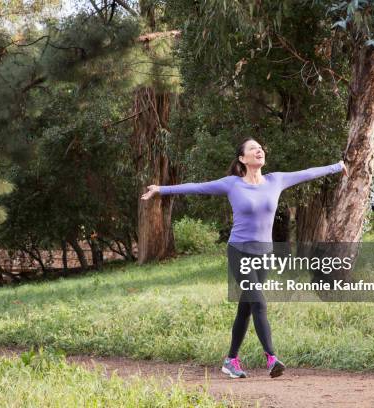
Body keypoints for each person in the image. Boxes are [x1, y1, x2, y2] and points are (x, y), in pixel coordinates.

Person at [141, 138, 348, 379]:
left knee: (246, 309)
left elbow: (308, 173)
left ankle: (231, 360)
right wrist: (160, 190)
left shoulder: (276, 180)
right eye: (253, 148)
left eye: (261, 147)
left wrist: (336, 166)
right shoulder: (232, 185)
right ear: (242, 158)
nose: (259, 150)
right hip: (240, 251)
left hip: (264, 254)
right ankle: (272, 358)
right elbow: (197, 186)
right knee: (259, 302)